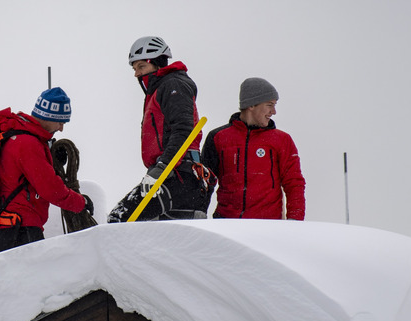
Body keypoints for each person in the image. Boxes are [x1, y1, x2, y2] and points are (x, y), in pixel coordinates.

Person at [107, 36, 214, 223]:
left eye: (141, 67)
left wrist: (162, 167)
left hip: (177, 173)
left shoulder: (173, 85)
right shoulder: (159, 89)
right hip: (176, 174)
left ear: (157, 64)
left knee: (119, 219)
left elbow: (183, 130)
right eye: (134, 69)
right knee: (167, 238)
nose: (136, 74)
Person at [0, 87, 94, 252]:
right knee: (33, 277)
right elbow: (51, 189)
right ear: (47, 116)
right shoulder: (27, 143)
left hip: (10, 228)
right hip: (21, 229)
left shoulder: (19, 138)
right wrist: (81, 202)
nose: (61, 128)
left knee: (23, 277)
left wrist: (50, 159)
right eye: (60, 122)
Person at [201, 77, 306, 220]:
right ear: (251, 105)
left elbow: (294, 183)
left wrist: (295, 220)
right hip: (226, 224)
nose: (274, 111)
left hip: (267, 226)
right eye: (269, 105)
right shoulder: (218, 137)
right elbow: (204, 183)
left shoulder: (282, 140)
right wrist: (198, 214)